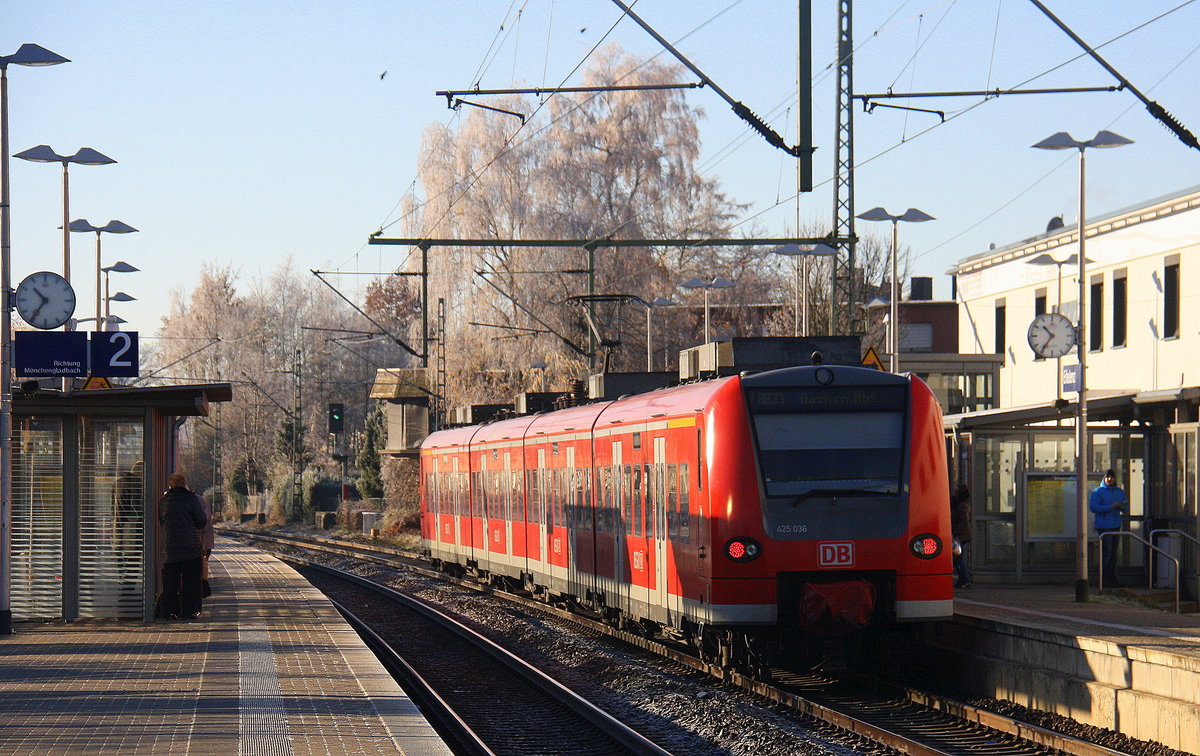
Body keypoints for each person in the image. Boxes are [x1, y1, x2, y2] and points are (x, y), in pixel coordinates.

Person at [158, 472, 209, 619]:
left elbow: (162, 521)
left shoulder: (165, 501)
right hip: (190, 547)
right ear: (184, 483)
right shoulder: (191, 499)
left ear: (171, 485)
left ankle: (169, 611)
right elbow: (200, 521)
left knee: (170, 581)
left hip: (170, 546)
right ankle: (188, 611)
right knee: (190, 581)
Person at [1089, 469, 1127, 588]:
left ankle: (1111, 578)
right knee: (1107, 553)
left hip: (1115, 525)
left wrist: (1121, 507)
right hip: (1104, 527)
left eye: (1112, 477)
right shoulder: (1098, 492)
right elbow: (1093, 507)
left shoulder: (1119, 492)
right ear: (1104, 478)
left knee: (1113, 553)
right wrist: (1110, 507)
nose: (1110, 479)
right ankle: (1103, 579)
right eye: (1108, 477)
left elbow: (1126, 508)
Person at [950, 484, 972, 589]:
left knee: (958, 558)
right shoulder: (957, 503)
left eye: (956, 490)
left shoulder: (962, 505)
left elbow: (964, 522)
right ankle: (962, 579)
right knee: (957, 558)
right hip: (959, 535)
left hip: (960, 536)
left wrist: (956, 532)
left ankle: (965, 579)